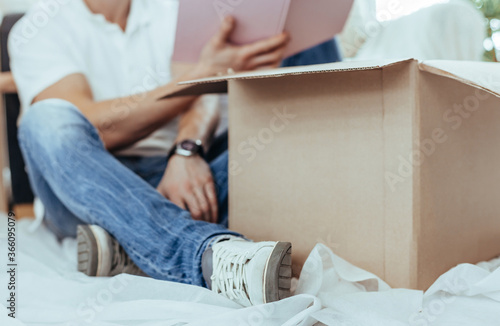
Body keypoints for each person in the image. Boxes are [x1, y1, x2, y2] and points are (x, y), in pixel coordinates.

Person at [9, 0, 339, 307]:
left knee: (305, 58)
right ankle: (205, 256)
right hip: (91, 186)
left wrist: (186, 151)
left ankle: (128, 244)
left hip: (183, 175)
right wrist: (202, 71)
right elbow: (97, 127)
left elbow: (204, 97)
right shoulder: (39, 29)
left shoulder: (178, 8)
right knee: (45, 119)